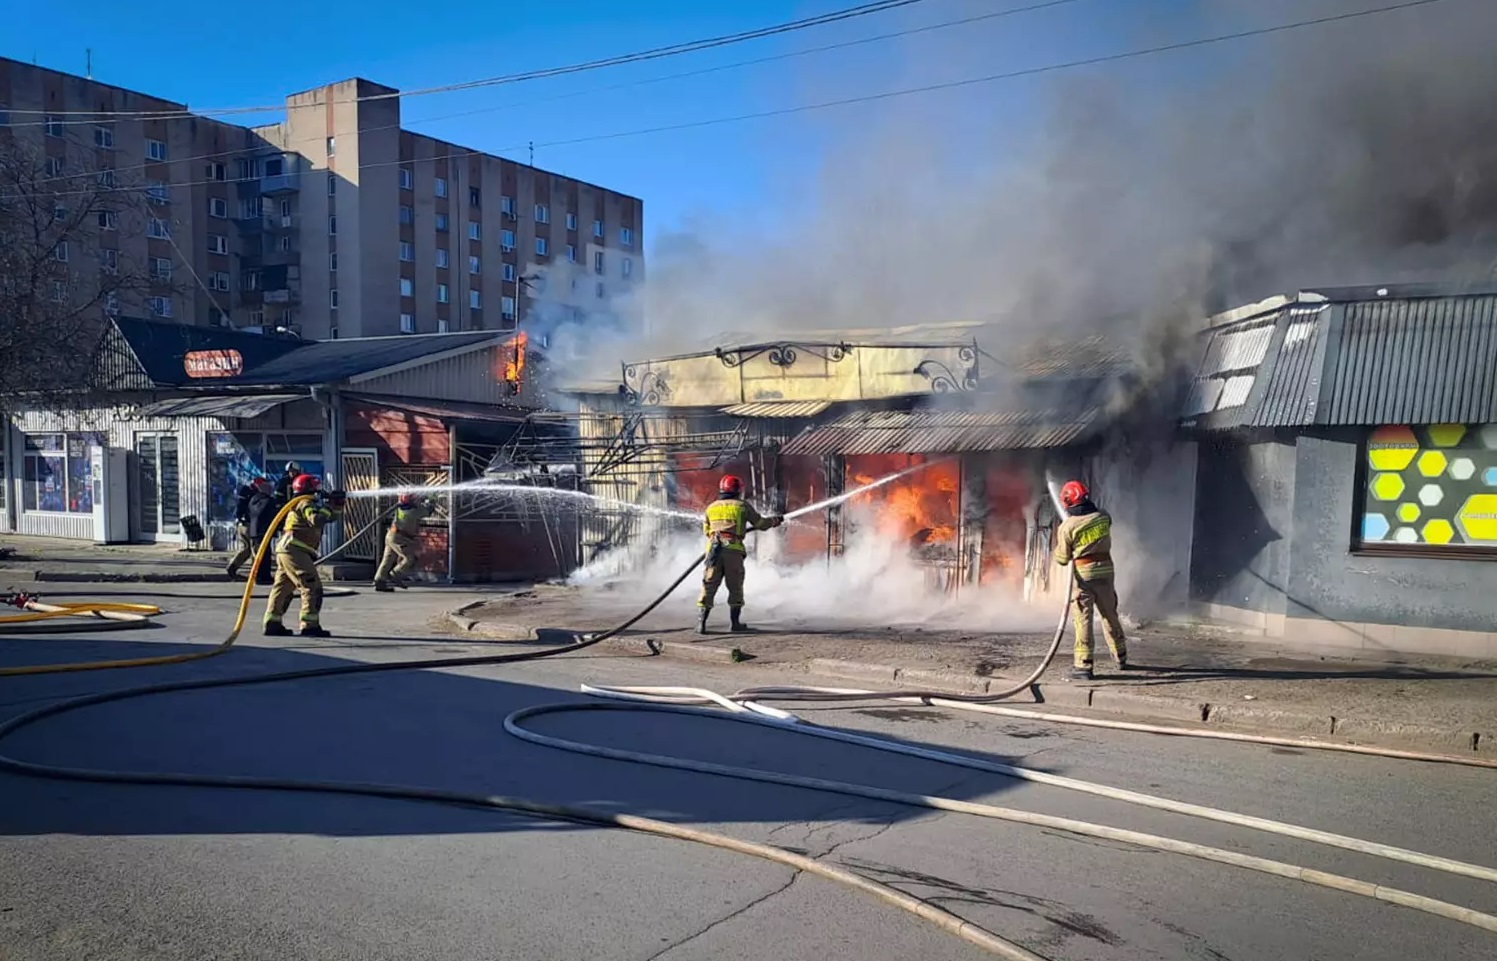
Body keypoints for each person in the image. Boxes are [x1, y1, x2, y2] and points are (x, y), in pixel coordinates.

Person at [1054, 479, 1128, 680]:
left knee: (1083, 619)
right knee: (1109, 614)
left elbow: (1062, 559)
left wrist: (1059, 548)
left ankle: (1084, 666)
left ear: (1069, 502)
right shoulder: (1103, 516)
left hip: (1084, 576)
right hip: (1106, 572)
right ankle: (1121, 656)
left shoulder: (1068, 526)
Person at [697, 474, 783, 634]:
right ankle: (735, 624)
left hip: (713, 552)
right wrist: (774, 521)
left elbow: (707, 531)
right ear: (738, 490)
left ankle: (701, 624)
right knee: (735, 587)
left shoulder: (711, 507)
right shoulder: (742, 506)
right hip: (733, 552)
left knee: (709, 585)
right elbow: (760, 524)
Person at [263, 473, 345, 638]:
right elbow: (317, 520)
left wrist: (337, 505)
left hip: (287, 549)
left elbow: (328, 517)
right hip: (295, 550)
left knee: (284, 587)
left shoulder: (304, 502)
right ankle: (309, 625)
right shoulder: (305, 502)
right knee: (311, 585)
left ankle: (273, 622)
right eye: (317, 488)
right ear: (311, 489)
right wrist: (328, 506)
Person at [373, 492, 437, 592]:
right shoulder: (414, 511)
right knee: (410, 559)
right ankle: (395, 574)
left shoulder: (400, 508)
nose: (417, 500)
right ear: (411, 501)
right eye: (414, 499)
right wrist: (432, 499)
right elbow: (428, 511)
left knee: (388, 559)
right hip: (400, 538)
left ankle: (379, 580)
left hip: (392, 535)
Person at [224, 477, 268, 579]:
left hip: (243, 523)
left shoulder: (245, 492)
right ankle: (254, 573)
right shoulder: (252, 494)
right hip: (247, 524)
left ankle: (233, 567)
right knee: (253, 549)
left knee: (246, 549)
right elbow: (244, 508)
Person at [244, 478, 280, 585]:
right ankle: (263, 577)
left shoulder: (254, 499)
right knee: (264, 555)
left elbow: (249, 513)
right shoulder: (269, 501)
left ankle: (257, 576)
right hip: (264, 531)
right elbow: (272, 515)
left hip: (254, 530)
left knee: (258, 554)